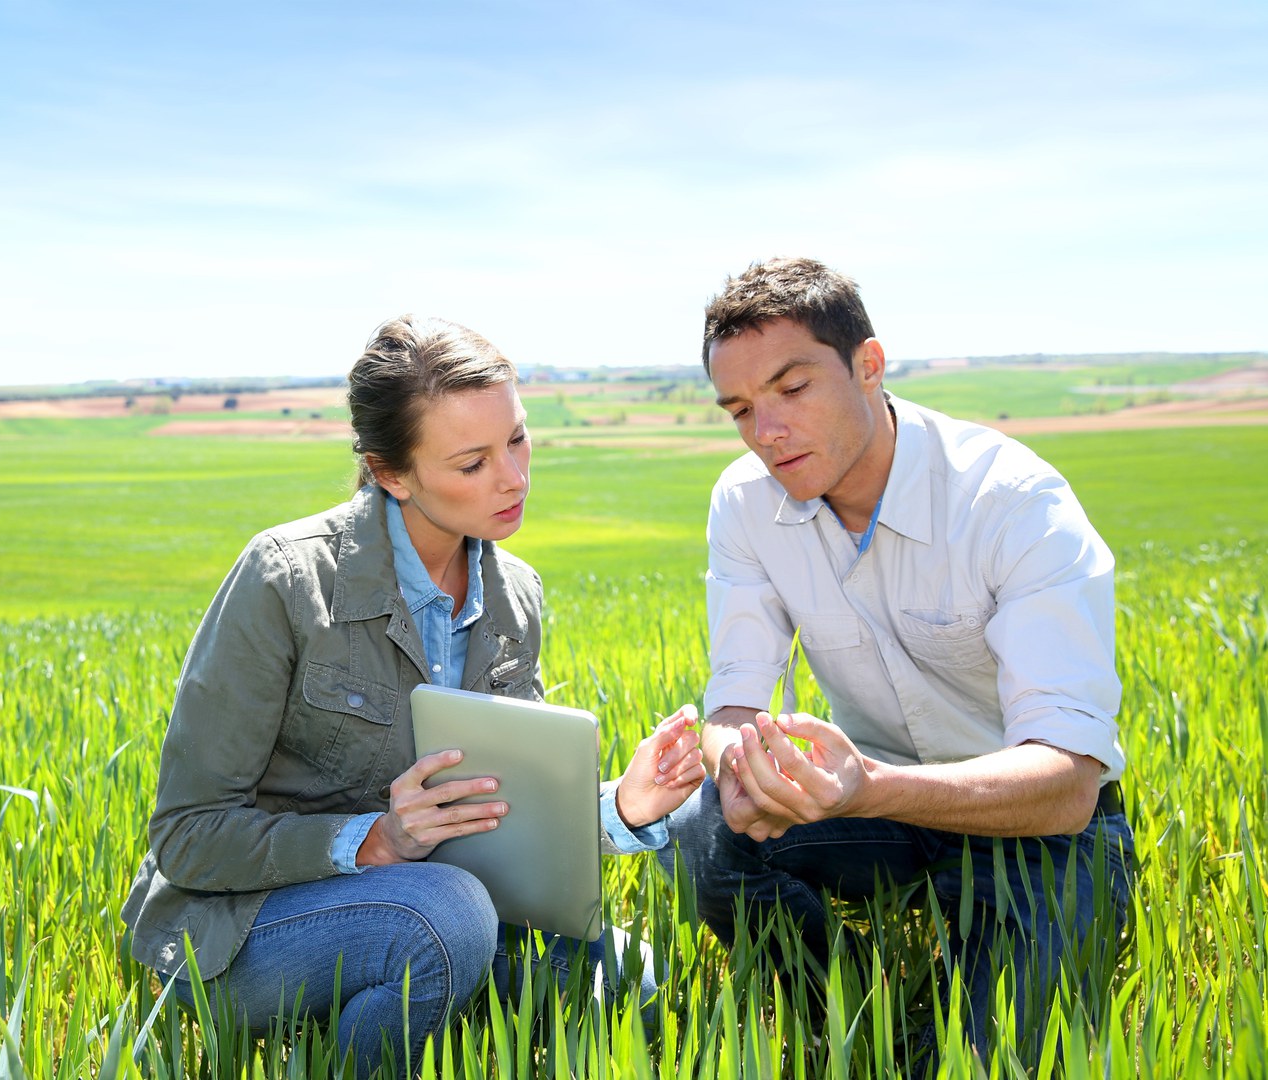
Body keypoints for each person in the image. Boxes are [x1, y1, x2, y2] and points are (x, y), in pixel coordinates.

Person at [122, 314, 705, 1079]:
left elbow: (501, 812)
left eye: (518, 441)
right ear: (391, 472)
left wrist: (623, 808)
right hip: (243, 929)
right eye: (473, 462)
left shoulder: (516, 595)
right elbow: (189, 835)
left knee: (632, 975)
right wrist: (372, 841)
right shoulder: (285, 579)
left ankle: (399, 1003)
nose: (514, 477)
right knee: (448, 917)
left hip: (428, 907)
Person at [664, 258, 1135, 1062]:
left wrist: (870, 787)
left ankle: (937, 1037)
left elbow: (1067, 783)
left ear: (869, 367)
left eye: (792, 388)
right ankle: (855, 1015)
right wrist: (744, 771)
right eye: (740, 408)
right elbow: (733, 703)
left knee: (988, 1060)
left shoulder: (1011, 501)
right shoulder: (744, 501)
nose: (765, 430)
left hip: (1033, 826)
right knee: (700, 831)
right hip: (872, 806)